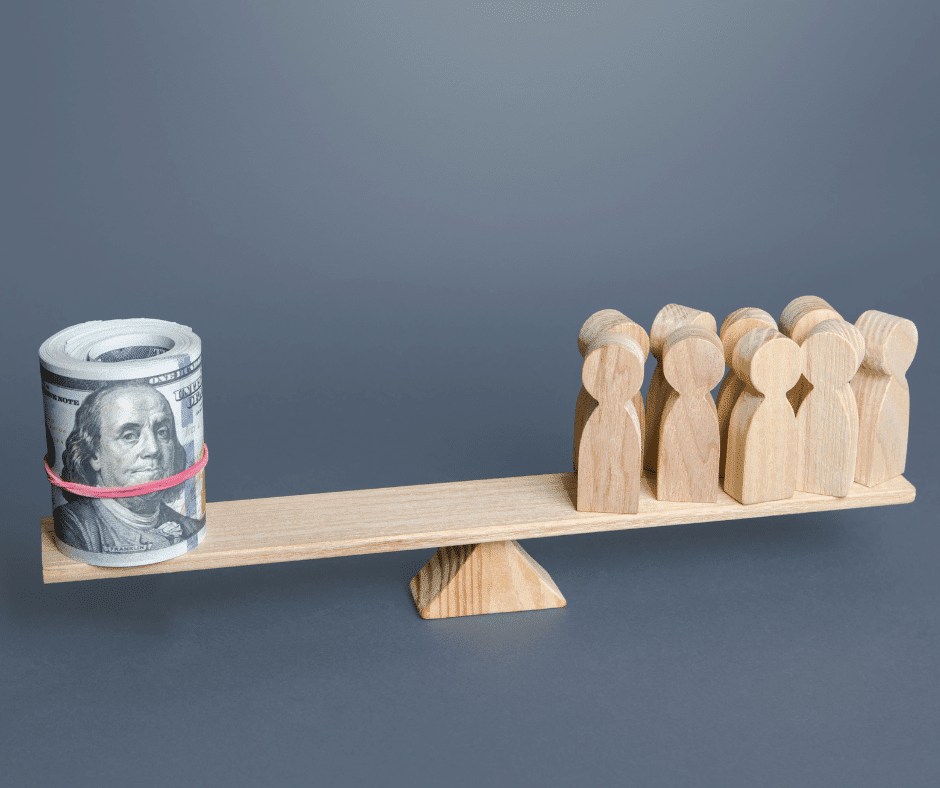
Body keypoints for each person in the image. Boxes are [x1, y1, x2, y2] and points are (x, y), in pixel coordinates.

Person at [53, 382, 203, 555]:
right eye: (129, 436)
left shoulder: (190, 528)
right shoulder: (73, 526)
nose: (153, 449)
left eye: (162, 432)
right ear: (94, 454)